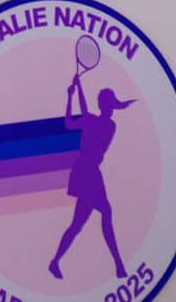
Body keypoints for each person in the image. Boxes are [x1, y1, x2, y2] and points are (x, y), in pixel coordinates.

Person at [49, 76, 134, 281]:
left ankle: (55, 262)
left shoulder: (109, 126)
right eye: (109, 104)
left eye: (112, 104)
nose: (112, 107)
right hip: (85, 171)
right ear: (104, 105)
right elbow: (69, 124)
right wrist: (71, 96)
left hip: (91, 172)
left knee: (78, 224)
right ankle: (119, 265)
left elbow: (86, 119)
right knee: (102, 212)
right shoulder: (94, 121)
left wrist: (77, 91)